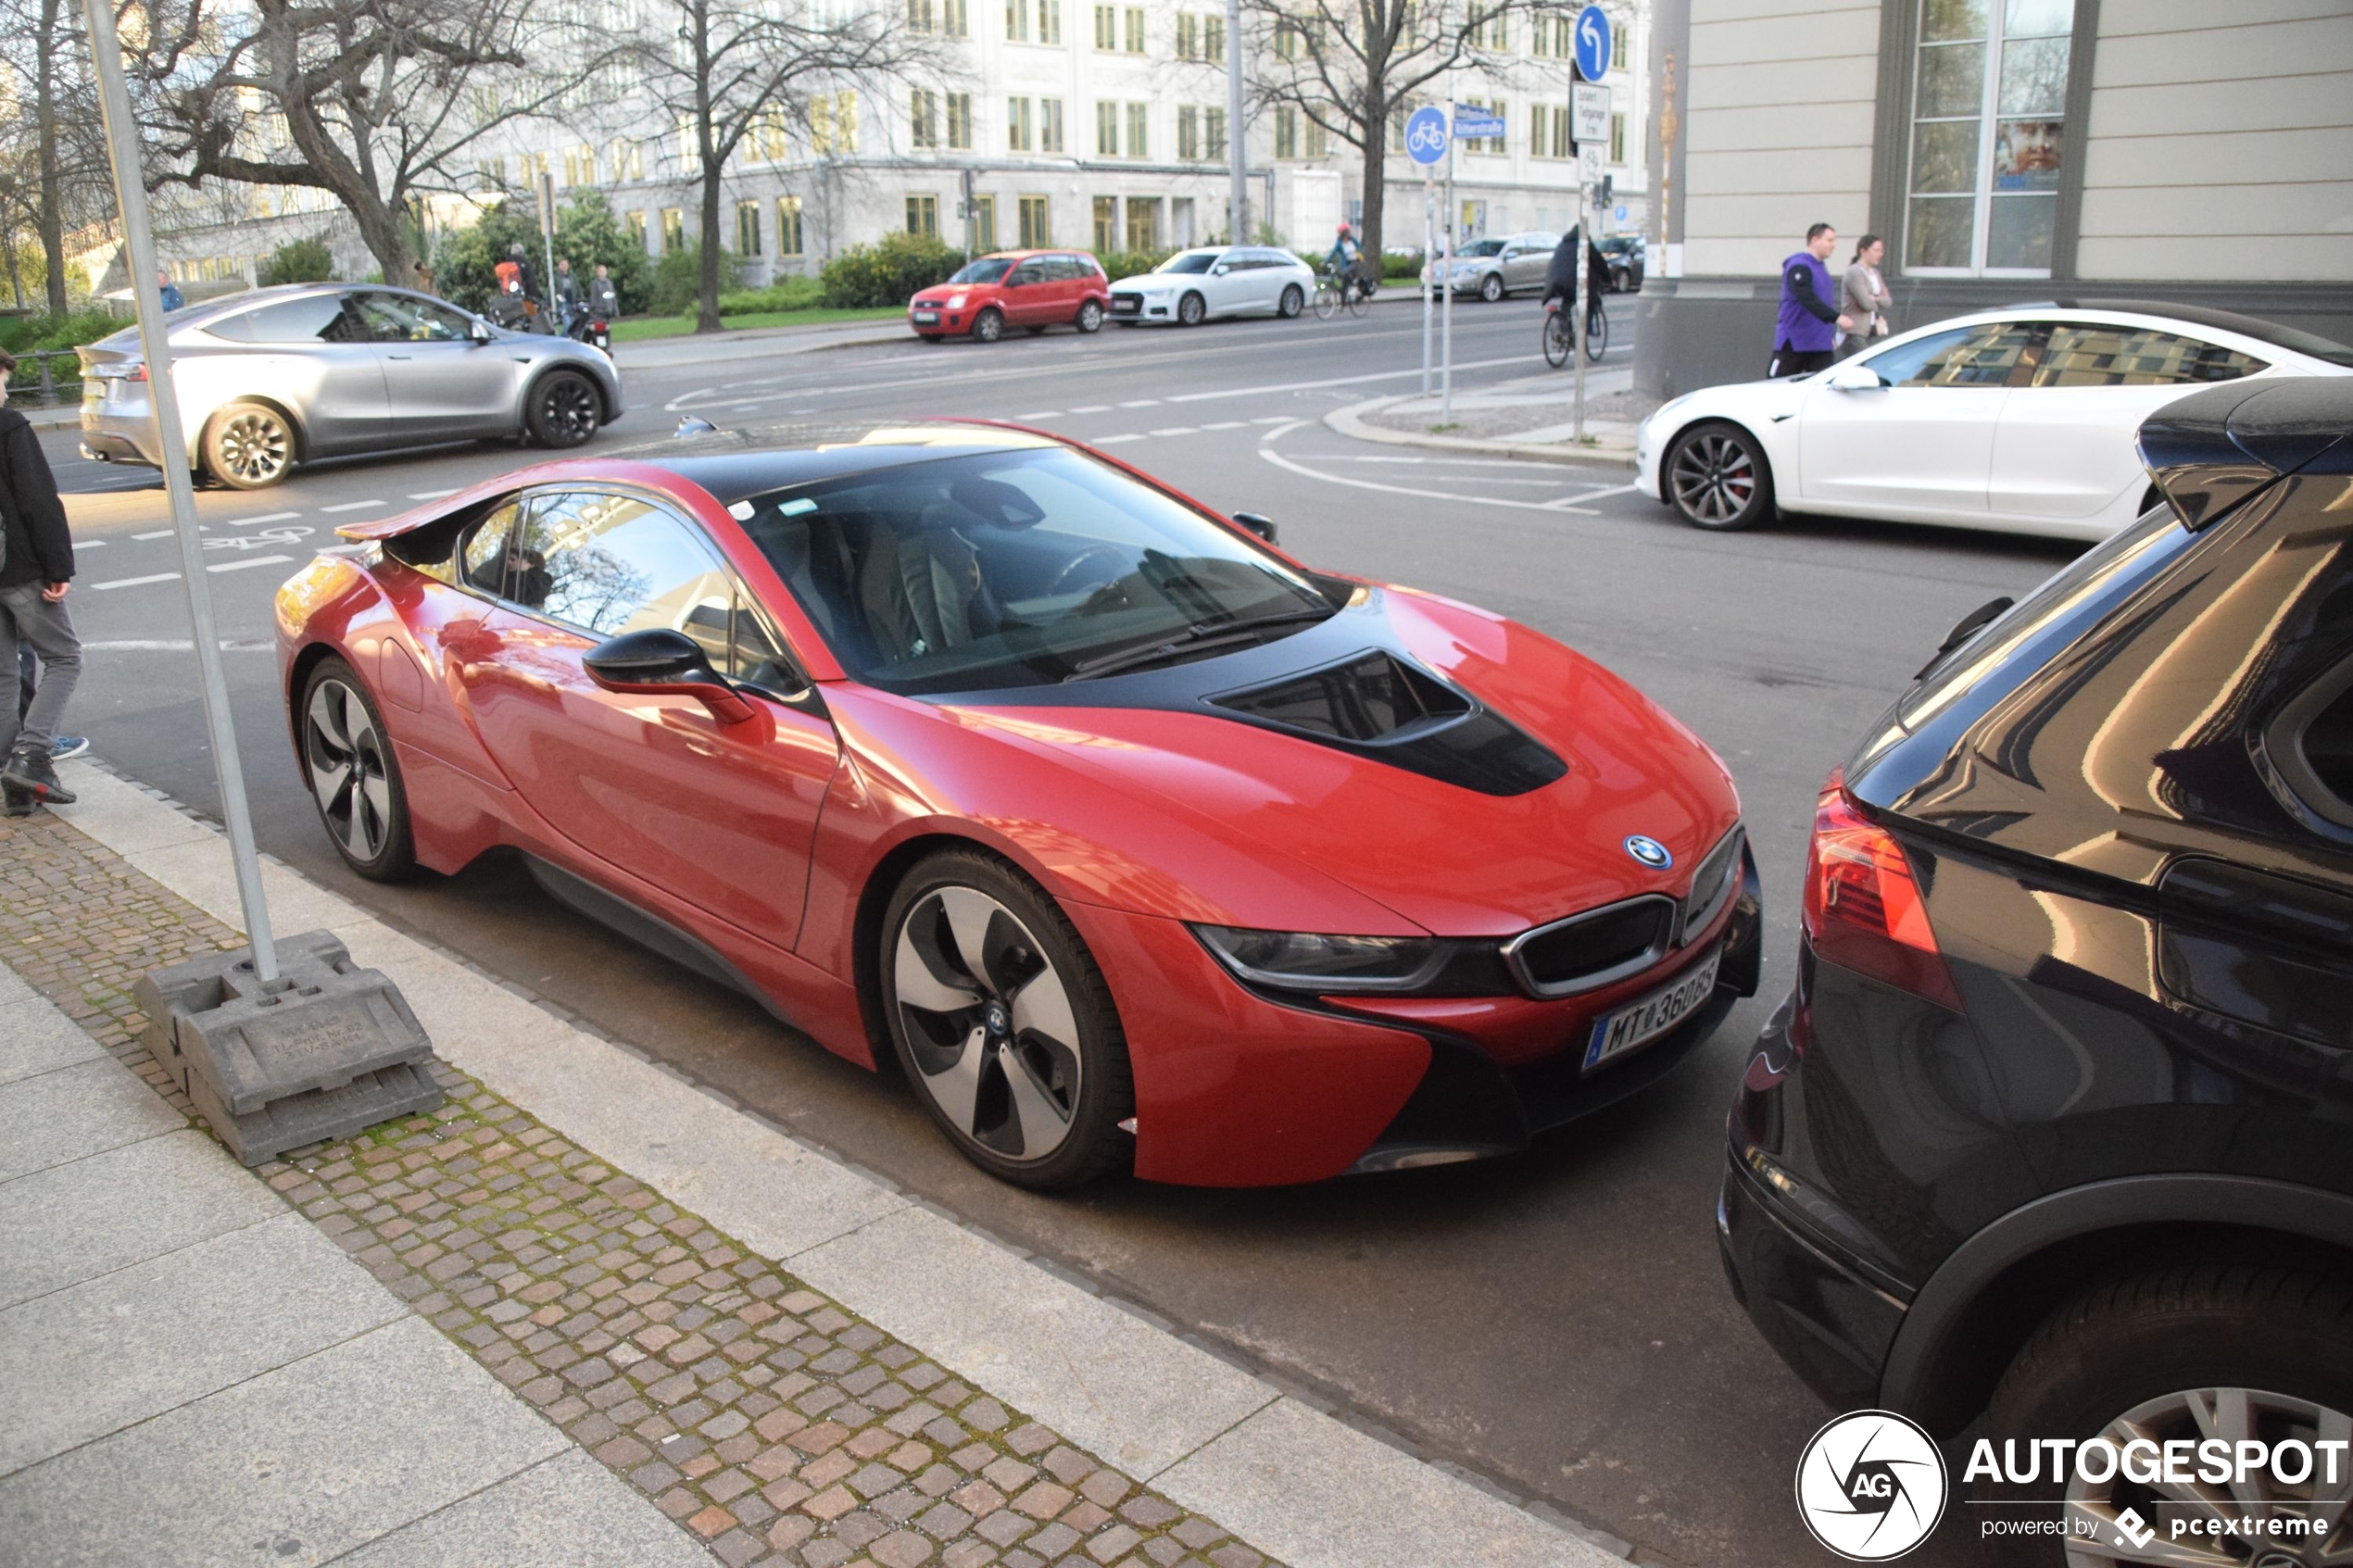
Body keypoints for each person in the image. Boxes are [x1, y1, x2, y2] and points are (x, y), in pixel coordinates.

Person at [0, 348, 80, 812]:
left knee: (3, 676)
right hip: (19, 568)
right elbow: (38, 501)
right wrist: (58, 567)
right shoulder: (9, 426)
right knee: (65, 658)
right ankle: (31, 755)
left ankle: (14, 791)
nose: (6, 390)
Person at [1770, 221, 1853, 378]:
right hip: (1795, 341)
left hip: (1819, 343)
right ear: (1815, 240)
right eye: (1830, 240)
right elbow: (1805, 297)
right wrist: (1837, 318)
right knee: (1776, 388)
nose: (1834, 245)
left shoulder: (1820, 267)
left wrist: (1827, 335)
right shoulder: (1799, 265)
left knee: (1823, 390)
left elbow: (1821, 302)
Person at [1839, 234, 1892, 356]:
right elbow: (1866, 304)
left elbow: (1888, 301)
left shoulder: (1875, 273)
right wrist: (1875, 300)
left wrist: (1875, 298)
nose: (1880, 254)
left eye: (1881, 250)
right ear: (1863, 251)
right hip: (1853, 331)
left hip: (1870, 330)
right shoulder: (1854, 272)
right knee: (1865, 364)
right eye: (1876, 250)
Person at [1540, 225, 1611, 315]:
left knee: (1568, 300)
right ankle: (1586, 328)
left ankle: (1564, 324)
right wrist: (1608, 279)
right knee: (1590, 304)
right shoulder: (1584, 245)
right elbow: (1600, 263)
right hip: (1574, 283)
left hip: (1555, 283)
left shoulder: (1562, 244)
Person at [1324, 223, 1367, 301]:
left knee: (1344, 273)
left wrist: (1361, 255)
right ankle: (1343, 304)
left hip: (1355, 262)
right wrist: (1325, 261)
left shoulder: (1352, 240)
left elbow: (1360, 247)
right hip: (1346, 264)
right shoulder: (1339, 243)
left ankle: (1355, 286)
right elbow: (1333, 253)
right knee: (1344, 284)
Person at [553, 258, 581, 332]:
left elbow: (578, 288)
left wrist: (581, 299)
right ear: (559, 266)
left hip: (572, 303)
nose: (564, 266)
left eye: (566, 265)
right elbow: (550, 291)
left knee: (573, 326)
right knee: (567, 325)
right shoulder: (555, 277)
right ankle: (563, 340)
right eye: (562, 264)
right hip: (562, 304)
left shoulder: (572, 277)